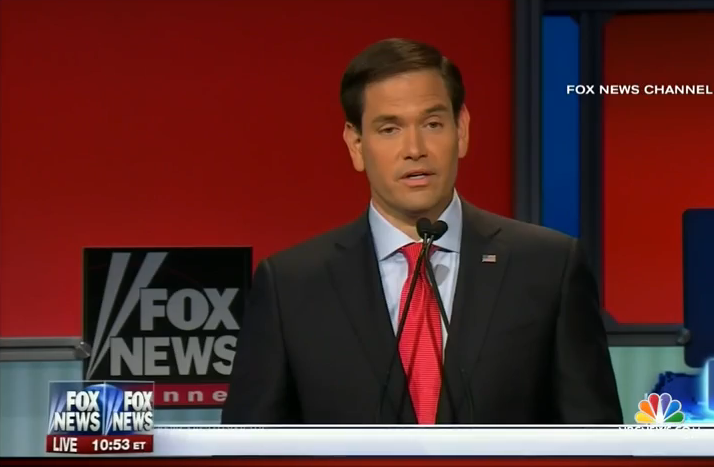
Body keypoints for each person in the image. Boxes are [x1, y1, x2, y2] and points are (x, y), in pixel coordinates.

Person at [221, 38, 623, 424]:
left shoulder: (548, 267)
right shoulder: (291, 287)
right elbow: (249, 449)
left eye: (432, 123)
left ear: (461, 130)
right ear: (356, 145)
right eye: (389, 129)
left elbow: (596, 441)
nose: (415, 148)